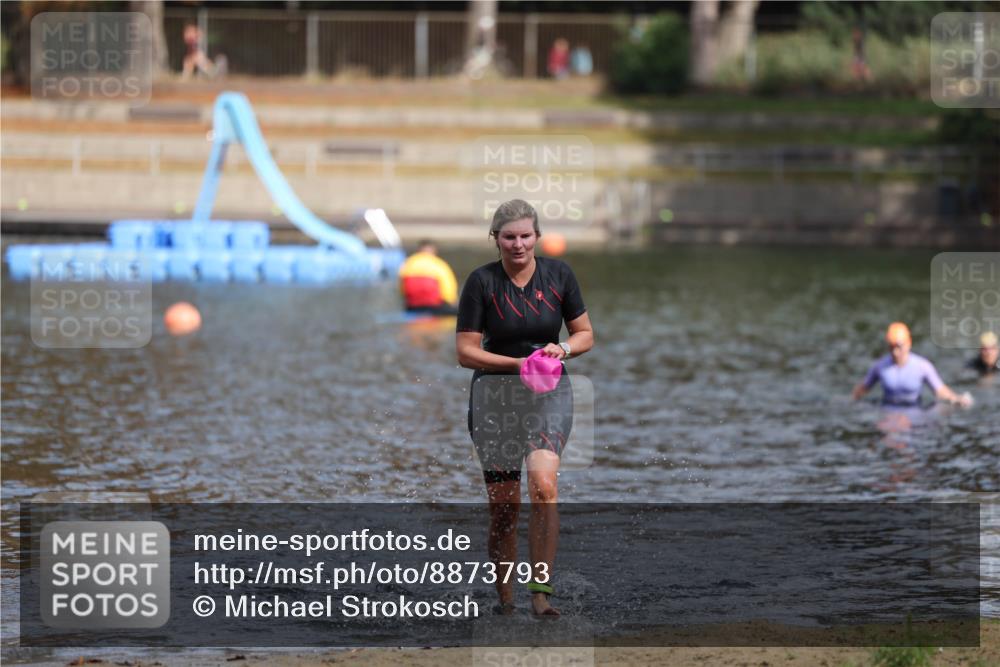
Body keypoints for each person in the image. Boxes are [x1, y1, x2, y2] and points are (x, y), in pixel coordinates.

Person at [456, 199, 594, 617]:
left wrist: (563, 348)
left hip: (549, 393)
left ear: (537, 236)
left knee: (543, 484)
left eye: (525, 236)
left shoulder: (559, 275)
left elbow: (585, 333)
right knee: (504, 505)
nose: (518, 245)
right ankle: (505, 599)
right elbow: (465, 352)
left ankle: (539, 594)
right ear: (496, 239)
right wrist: (518, 365)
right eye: (509, 237)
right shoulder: (481, 282)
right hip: (494, 397)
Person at [852, 322, 972, 408]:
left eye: (898, 346)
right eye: (891, 347)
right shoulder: (880, 366)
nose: (895, 352)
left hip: (913, 409)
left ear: (908, 343)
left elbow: (940, 390)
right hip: (888, 409)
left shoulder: (922, 366)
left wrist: (956, 399)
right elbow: (862, 389)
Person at [398, 240, 458, 316]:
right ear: (434, 251)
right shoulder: (438, 264)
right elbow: (448, 288)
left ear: (419, 250)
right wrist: (452, 303)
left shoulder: (408, 263)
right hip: (434, 306)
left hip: (412, 306)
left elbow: (402, 287)